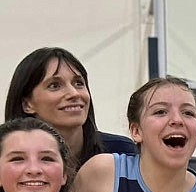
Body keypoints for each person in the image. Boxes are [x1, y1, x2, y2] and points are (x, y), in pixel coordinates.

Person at [5, 47, 136, 166]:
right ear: (27, 104)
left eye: (78, 83)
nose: (74, 93)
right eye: (55, 85)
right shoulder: (7, 160)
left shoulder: (121, 153)